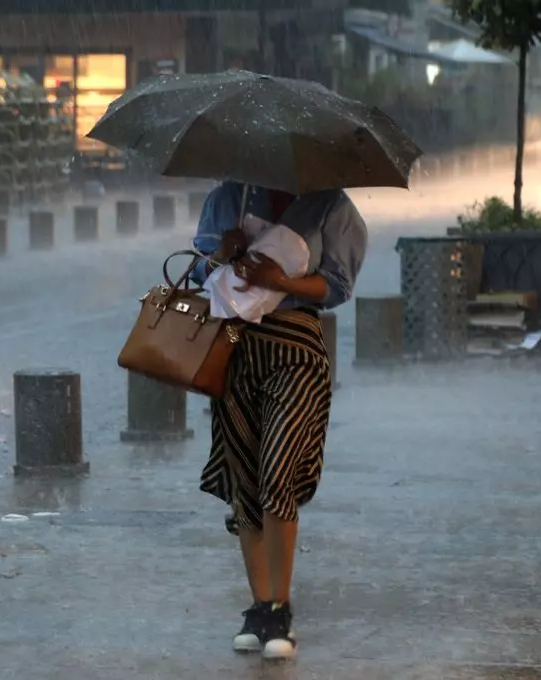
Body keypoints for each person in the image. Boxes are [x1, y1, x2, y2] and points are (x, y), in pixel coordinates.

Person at [190, 181, 367, 659]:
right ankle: (259, 606)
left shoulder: (331, 204)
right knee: (244, 478)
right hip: (234, 350)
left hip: (298, 351)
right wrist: (223, 254)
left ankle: (280, 608)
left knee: (277, 472)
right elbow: (197, 274)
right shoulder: (228, 197)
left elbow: (337, 285)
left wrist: (282, 282)